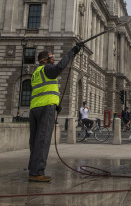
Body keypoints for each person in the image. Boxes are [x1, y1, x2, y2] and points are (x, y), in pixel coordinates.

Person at [28, 44, 82, 182]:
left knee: (35, 141)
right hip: (46, 108)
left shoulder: (36, 73)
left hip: (35, 108)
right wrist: (72, 52)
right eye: (51, 57)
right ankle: (37, 172)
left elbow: (43, 91)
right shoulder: (47, 69)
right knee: (43, 140)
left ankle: (33, 169)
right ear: (45, 60)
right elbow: (59, 67)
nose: (53, 59)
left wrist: (56, 105)